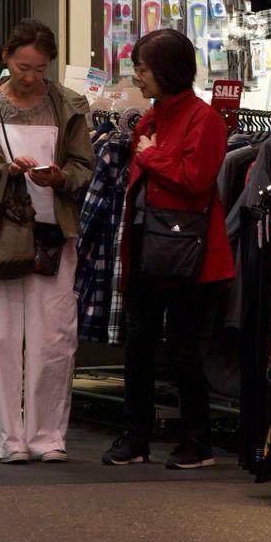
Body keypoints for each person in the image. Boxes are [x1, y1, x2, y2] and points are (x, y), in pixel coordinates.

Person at [0, 19, 91, 463]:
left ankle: (48, 436)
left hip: (54, 233)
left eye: (40, 68)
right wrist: (5, 172)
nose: (31, 76)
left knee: (53, 338)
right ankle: (8, 438)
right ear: (7, 58)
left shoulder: (69, 104)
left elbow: (85, 168)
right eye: (22, 66)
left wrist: (61, 177)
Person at [102, 28, 231, 470]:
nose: (138, 78)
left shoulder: (204, 119)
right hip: (145, 246)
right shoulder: (150, 119)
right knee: (138, 346)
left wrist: (151, 155)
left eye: (142, 70)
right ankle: (134, 437)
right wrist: (151, 152)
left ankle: (198, 441)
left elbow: (196, 180)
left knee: (182, 347)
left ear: (167, 70)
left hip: (188, 253)